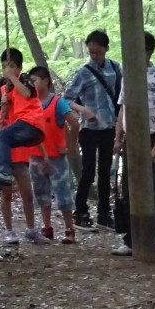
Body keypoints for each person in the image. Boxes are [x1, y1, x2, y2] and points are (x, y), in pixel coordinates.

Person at [112, 31, 155, 258]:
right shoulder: (128, 76)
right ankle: (132, 238)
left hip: (151, 137)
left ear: (148, 51)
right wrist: (118, 137)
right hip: (132, 140)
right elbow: (123, 108)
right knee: (129, 189)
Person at [0, 49, 48, 245]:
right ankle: (9, 231)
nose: (7, 70)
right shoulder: (3, 91)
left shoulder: (25, 81)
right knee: (6, 194)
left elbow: (27, 95)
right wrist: (4, 99)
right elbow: (2, 112)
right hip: (6, 141)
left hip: (18, 145)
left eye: (11, 66)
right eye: (4, 67)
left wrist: (14, 78)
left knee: (26, 192)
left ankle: (31, 229)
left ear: (19, 68)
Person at [27, 66, 95, 244]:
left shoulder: (57, 102)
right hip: (35, 156)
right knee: (41, 194)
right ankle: (47, 228)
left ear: (46, 81)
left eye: (35, 80)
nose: (33, 84)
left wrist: (70, 146)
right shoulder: (31, 103)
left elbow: (74, 123)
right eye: (31, 81)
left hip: (56, 157)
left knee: (63, 194)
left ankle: (69, 229)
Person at [63, 29, 122, 230]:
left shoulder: (115, 69)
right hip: (89, 129)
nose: (94, 56)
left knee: (105, 171)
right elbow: (67, 98)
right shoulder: (83, 72)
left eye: (98, 51)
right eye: (91, 52)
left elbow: (120, 97)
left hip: (110, 126)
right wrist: (83, 110)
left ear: (106, 49)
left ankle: (104, 213)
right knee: (88, 171)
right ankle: (81, 211)